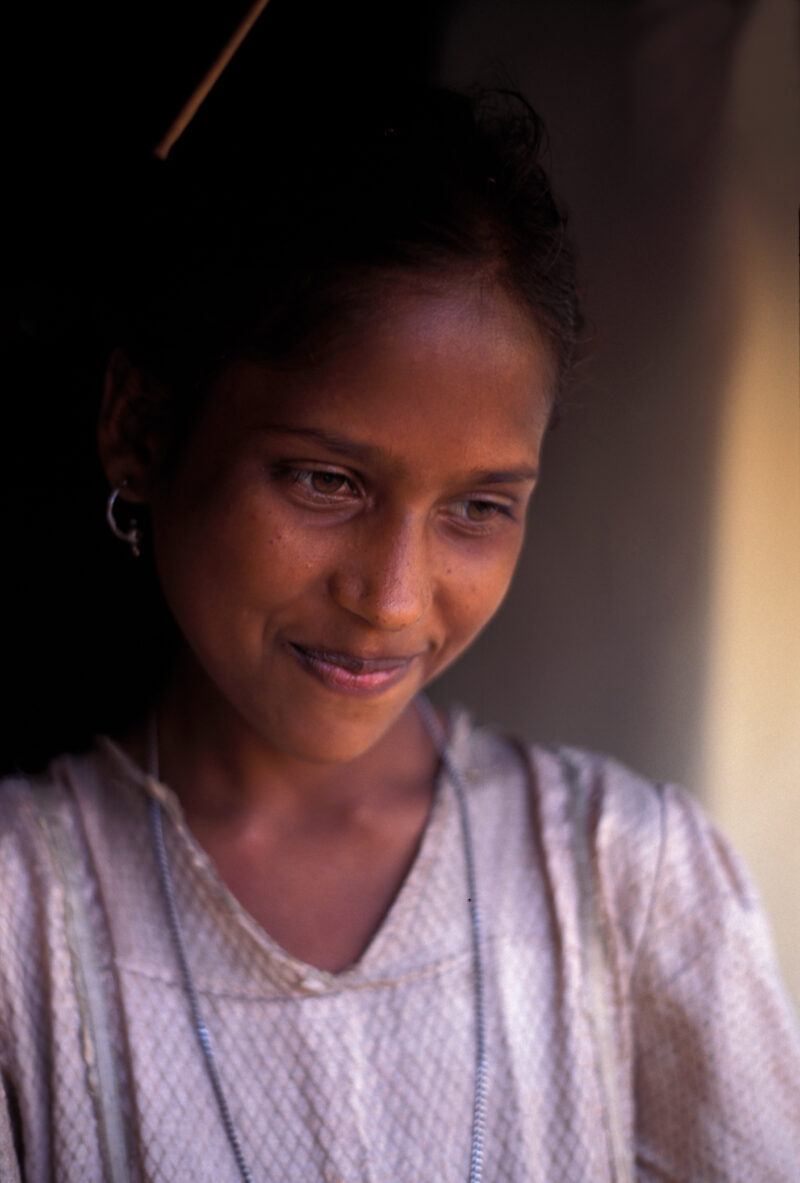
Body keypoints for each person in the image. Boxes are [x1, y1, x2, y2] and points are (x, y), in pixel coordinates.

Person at [1, 85, 798, 1183]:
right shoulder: (23, 929)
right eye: (324, 480)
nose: (390, 597)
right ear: (141, 429)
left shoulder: (627, 884)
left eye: (478, 506)